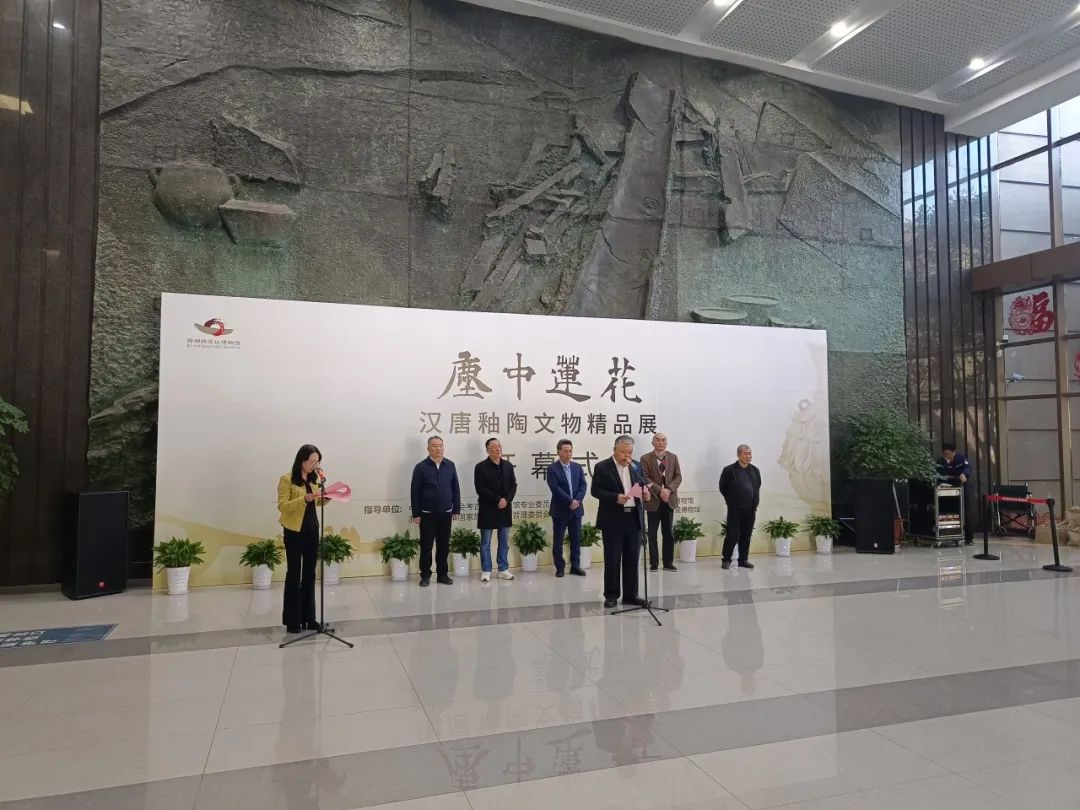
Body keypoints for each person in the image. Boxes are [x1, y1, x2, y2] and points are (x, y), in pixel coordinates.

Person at [592, 435, 651, 608]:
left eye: (630, 452)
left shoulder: (636, 466)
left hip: (633, 518)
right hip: (613, 519)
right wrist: (615, 497)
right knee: (612, 558)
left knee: (632, 558)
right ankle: (611, 595)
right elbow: (596, 490)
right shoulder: (602, 467)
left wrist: (645, 494)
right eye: (623, 452)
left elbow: (641, 487)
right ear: (614, 450)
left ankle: (631, 595)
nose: (627, 456)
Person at [277, 444, 328, 634]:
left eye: (317, 462)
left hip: (312, 529)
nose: (315, 465)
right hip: (294, 531)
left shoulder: (314, 479)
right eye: (312, 461)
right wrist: (304, 499)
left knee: (310, 573)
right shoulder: (287, 479)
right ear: (302, 460)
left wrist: (325, 498)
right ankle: (293, 621)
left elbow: (316, 501)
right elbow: (282, 506)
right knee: (294, 573)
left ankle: (309, 618)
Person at [410, 436, 460, 586]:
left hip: (446, 513)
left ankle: (442, 575)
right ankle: (425, 575)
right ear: (428, 448)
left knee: (443, 546)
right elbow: (414, 492)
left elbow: (455, 488)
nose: (438, 448)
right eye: (434, 446)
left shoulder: (450, 465)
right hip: (427, 514)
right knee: (426, 546)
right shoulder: (420, 467)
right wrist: (416, 513)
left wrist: (456, 508)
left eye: (440, 445)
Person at [475, 437, 517, 582]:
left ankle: (503, 569)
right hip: (488, 508)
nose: (498, 449)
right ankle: (486, 570)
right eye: (494, 447)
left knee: (504, 541)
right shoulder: (480, 467)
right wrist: (498, 499)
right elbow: (480, 489)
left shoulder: (508, 466)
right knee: (485, 542)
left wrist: (506, 499)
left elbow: (513, 485)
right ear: (488, 450)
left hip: (505, 508)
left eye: (499, 446)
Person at [640, 432, 682, 572]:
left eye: (663, 440)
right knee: (652, 534)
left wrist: (668, 490)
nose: (661, 442)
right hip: (653, 500)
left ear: (666, 443)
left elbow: (678, 476)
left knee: (668, 533)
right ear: (653, 443)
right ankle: (654, 564)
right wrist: (660, 491)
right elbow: (644, 477)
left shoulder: (673, 457)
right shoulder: (645, 458)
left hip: (669, 500)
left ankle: (668, 563)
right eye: (657, 440)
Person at [547, 439, 588, 578]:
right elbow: (555, 488)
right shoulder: (552, 469)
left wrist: (577, 500)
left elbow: (583, 485)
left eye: (570, 451)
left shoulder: (577, 467)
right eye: (565, 451)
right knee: (558, 541)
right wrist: (569, 501)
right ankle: (560, 567)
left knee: (576, 540)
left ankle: (575, 566)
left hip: (576, 509)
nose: (568, 454)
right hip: (560, 510)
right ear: (558, 452)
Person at [719, 444, 761, 570]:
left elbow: (757, 487)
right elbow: (722, 487)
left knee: (746, 535)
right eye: (745, 454)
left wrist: (755, 503)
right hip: (735, 508)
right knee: (732, 535)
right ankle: (726, 559)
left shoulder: (755, 470)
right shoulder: (729, 470)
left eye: (750, 454)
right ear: (738, 455)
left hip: (751, 508)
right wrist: (731, 500)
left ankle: (743, 560)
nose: (748, 456)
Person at [937, 441, 974, 544]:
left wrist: (964, 474)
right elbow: (939, 474)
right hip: (947, 487)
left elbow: (968, 468)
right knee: (949, 510)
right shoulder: (941, 461)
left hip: (962, 485)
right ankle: (949, 534)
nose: (947, 456)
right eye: (945, 454)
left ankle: (969, 538)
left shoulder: (961, 458)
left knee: (965, 511)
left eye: (948, 454)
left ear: (954, 452)